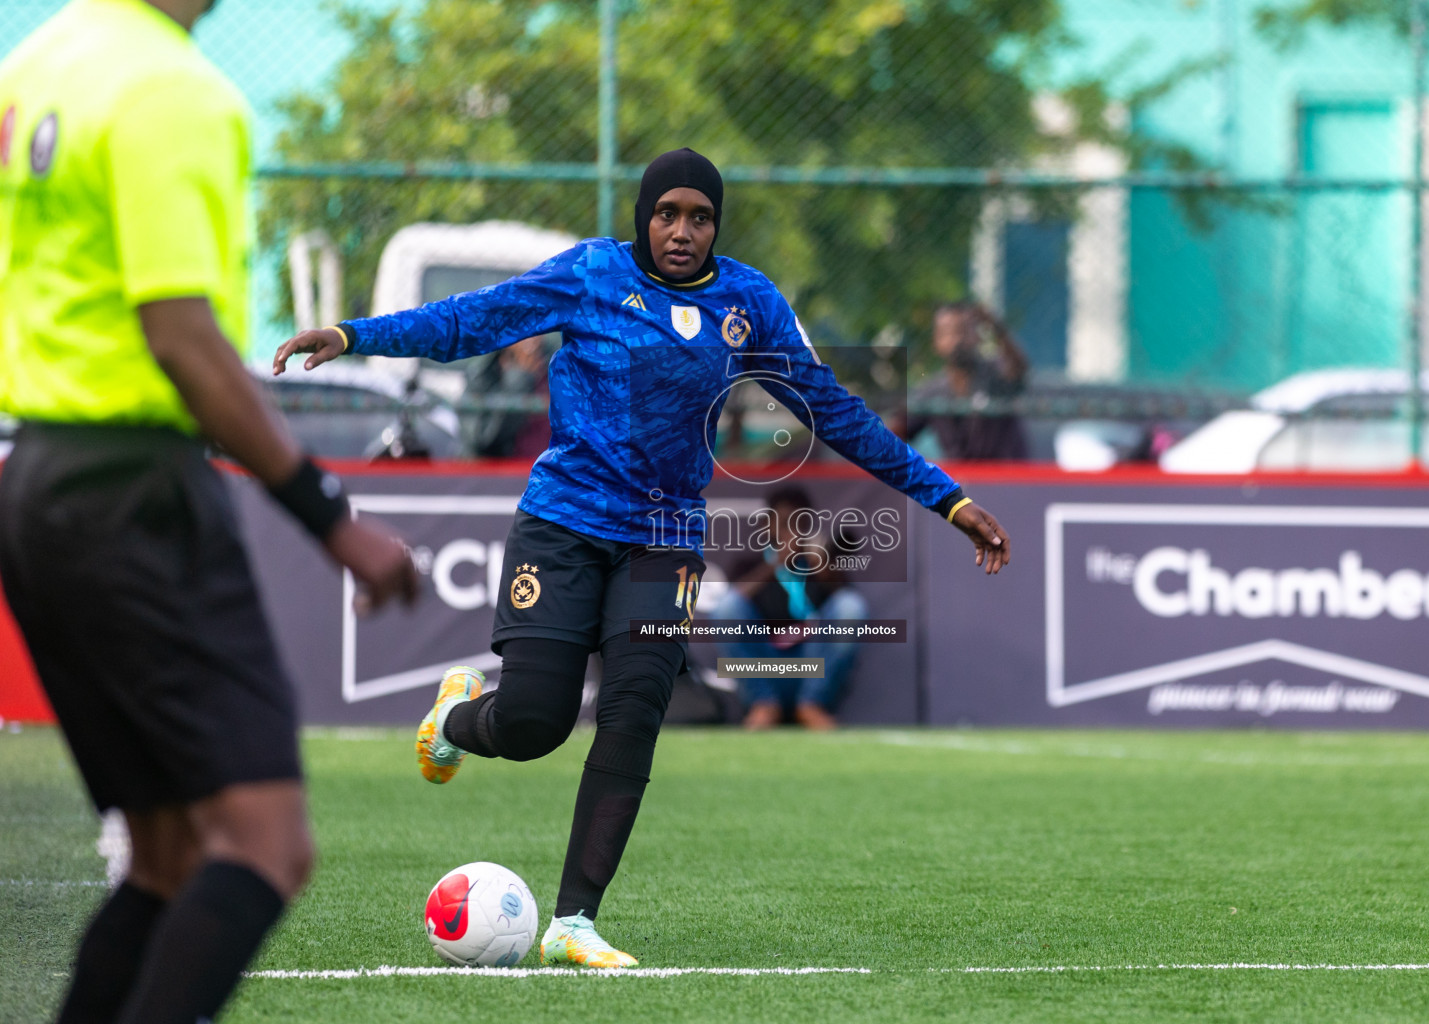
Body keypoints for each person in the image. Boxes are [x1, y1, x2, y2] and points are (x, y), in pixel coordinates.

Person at [273, 147, 1011, 968]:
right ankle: (454, 716)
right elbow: (471, 320)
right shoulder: (590, 275)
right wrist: (354, 333)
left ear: (717, 226)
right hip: (563, 525)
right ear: (643, 217)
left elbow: (836, 411)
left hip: (666, 540)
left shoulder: (749, 301)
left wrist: (949, 497)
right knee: (532, 726)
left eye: (699, 217)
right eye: (667, 214)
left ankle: (574, 924)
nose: (682, 231)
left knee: (632, 712)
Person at [0, 2, 420, 1022]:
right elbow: (183, 338)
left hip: (37, 482)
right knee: (267, 844)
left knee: (166, 854)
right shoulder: (175, 91)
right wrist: (331, 517)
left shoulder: (40, 61)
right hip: (136, 497)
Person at [715, 486, 868, 731]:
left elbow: (846, 610)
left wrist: (822, 568)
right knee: (727, 606)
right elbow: (730, 607)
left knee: (851, 605)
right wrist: (776, 563)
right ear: (768, 525)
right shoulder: (751, 563)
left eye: (800, 523)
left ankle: (813, 704)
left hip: (812, 666)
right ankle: (762, 704)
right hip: (767, 667)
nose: (792, 532)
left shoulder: (820, 564)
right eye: (785, 523)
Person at [904, 302, 1030, 460]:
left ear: (977, 336)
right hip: (959, 480)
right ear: (936, 342)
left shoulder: (996, 375)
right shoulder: (932, 391)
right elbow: (898, 429)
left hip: (1004, 478)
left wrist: (996, 328)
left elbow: (1019, 368)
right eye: (947, 333)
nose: (957, 340)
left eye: (963, 331)